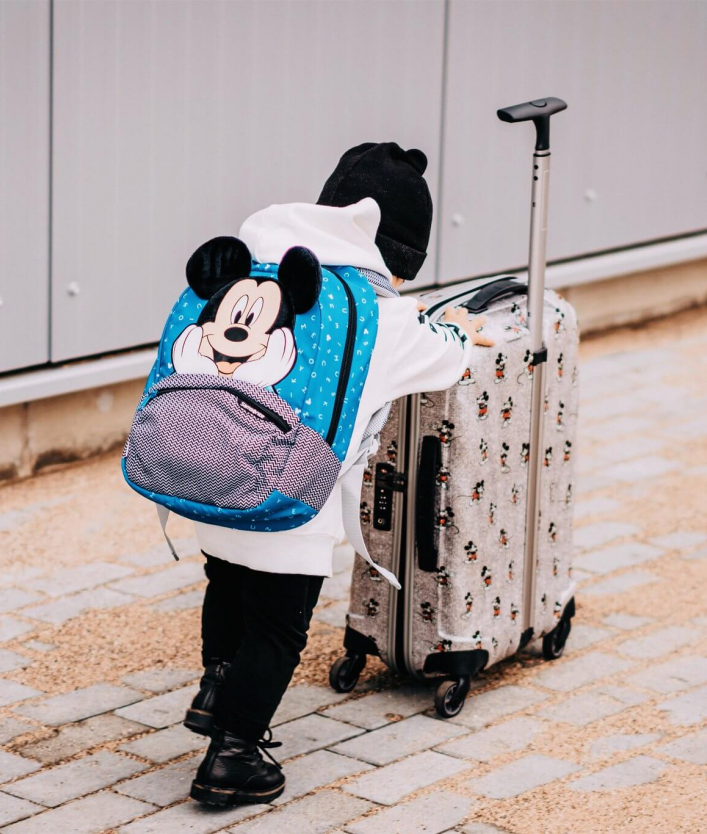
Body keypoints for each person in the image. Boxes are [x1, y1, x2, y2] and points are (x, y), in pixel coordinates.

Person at [185, 143, 492, 806]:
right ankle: (232, 756)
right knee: (278, 625)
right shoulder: (382, 315)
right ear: (395, 254)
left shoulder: (256, 269)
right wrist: (462, 329)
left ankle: (216, 690)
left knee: (228, 579)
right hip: (287, 499)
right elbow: (447, 358)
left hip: (204, 470)